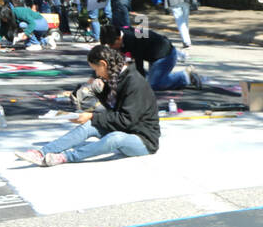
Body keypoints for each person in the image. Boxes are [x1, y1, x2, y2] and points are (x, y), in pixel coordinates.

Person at [14, 44, 159, 166]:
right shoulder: (117, 78)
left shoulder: (134, 82)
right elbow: (113, 108)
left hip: (143, 140)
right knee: (88, 126)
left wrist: (92, 115)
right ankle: (42, 152)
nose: (97, 74)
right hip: (126, 129)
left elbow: (126, 119)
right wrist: (100, 92)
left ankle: (66, 157)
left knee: (114, 137)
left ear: (103, 64)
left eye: (96, 69)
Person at [101, 23, 201, 92]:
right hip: (153, 56)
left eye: (111, 44)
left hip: (165, 56)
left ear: (118, 38)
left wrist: (138, 86)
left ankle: (185, 76)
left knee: (153, 85)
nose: (111, 47)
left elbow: (138, 64)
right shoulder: (121, 33)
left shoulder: (132, 39)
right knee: (143, 79)